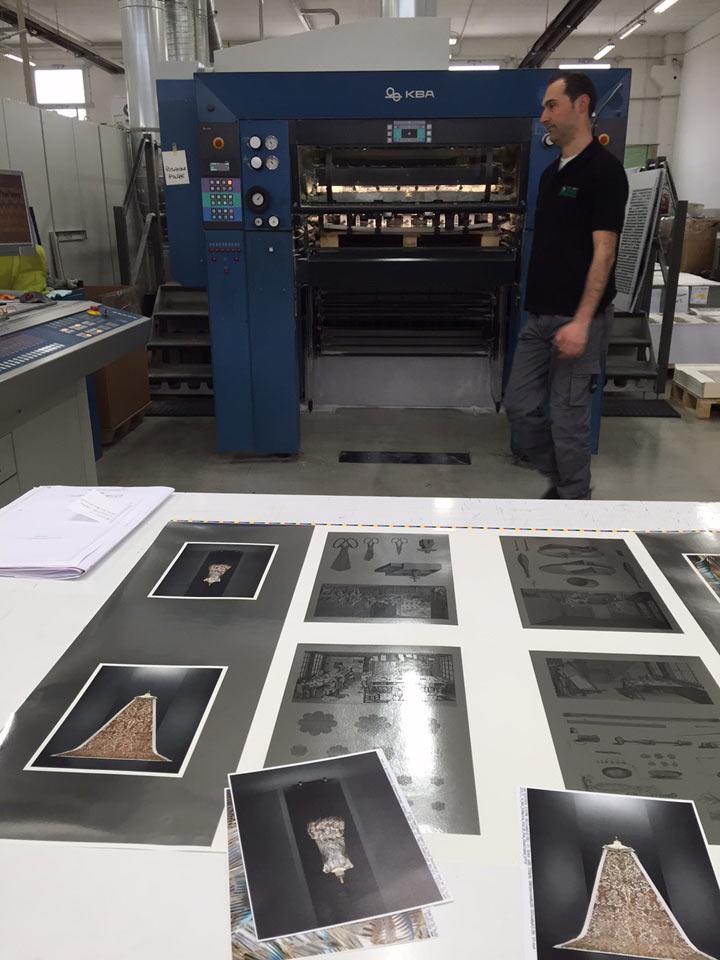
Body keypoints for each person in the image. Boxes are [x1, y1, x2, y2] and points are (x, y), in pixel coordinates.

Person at [504, 72, 629, 499]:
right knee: (519, 406)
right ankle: (564, 480)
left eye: (551, 106)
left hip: (580, 320)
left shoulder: (605, 172)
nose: (543, 117)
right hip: (540, 317)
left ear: (581, 106)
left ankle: (573, 501)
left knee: (568, 416)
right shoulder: (551, 175)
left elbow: (605, 252)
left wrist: (581, 320)